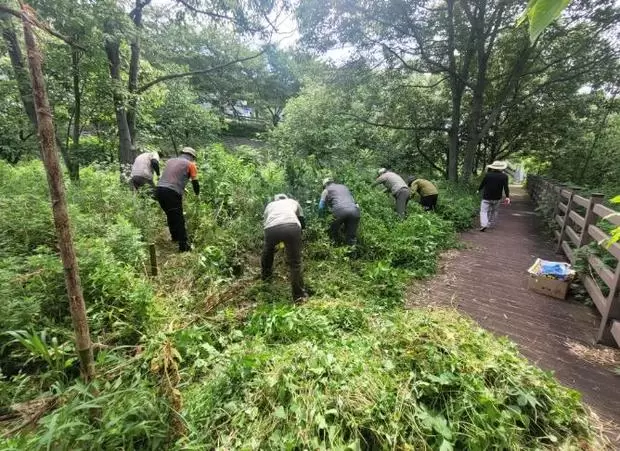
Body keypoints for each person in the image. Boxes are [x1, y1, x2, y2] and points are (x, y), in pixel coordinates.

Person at [261, 194, 308, 303]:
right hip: (292, 227)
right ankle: (299, 296)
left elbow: (265, 222)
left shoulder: (270, 205)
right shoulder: (293, 202)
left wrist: (273, 243)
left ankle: (266, 281)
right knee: (295, 263)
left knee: (268, 252)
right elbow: (302, 220)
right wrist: (296, 238)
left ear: (275, 199)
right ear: (286, 198)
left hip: (271, 228)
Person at [156, 147, 200, 252]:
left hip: (159, 190)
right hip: (172, 193)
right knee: (179, 219)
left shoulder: (170, 161)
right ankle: (183, 246)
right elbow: (195, 183)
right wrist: (197, 194)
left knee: (170, 214)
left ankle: (175, 237)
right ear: (192, 157)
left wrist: (182, 187)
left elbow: (171, 177)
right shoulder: (191, 165)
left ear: (182, 153)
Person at [319, 178, 360, 245]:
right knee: (351, 236)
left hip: (339, 210)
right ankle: (352, 251)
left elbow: (321, 207)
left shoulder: (326, 190)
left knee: (331, 232)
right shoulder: (344, 187)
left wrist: (321, 219)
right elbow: (355, 202)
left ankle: (334, 246)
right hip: (354, 210)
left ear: (325, 185)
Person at [478, 160, 511, 232]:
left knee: (483, 211)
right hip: (497, 198)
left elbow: (483, 184)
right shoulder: (504, 176)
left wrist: (478, 190)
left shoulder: (488, 175)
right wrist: (507, 197)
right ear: (501, 168)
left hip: (486, 197)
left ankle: (484, 224)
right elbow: (506, 187)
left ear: (493, 167)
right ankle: (489, 223)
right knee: (494, 211)